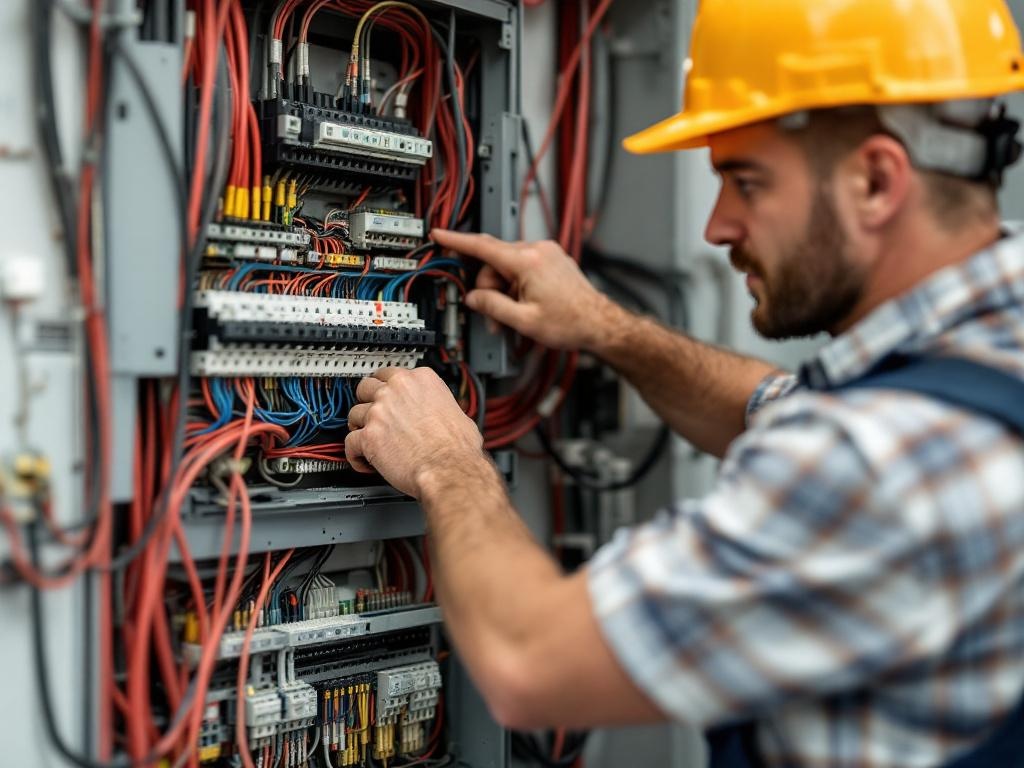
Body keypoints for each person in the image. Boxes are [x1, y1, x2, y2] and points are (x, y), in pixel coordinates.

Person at [344, 1, 1024, 765]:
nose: (718, 226)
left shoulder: (881, 457)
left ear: (875, 179)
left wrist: (445, 461)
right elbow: (770, 408)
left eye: (747, 181)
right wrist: (605, 326)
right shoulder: (984, 356)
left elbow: (528, 661)